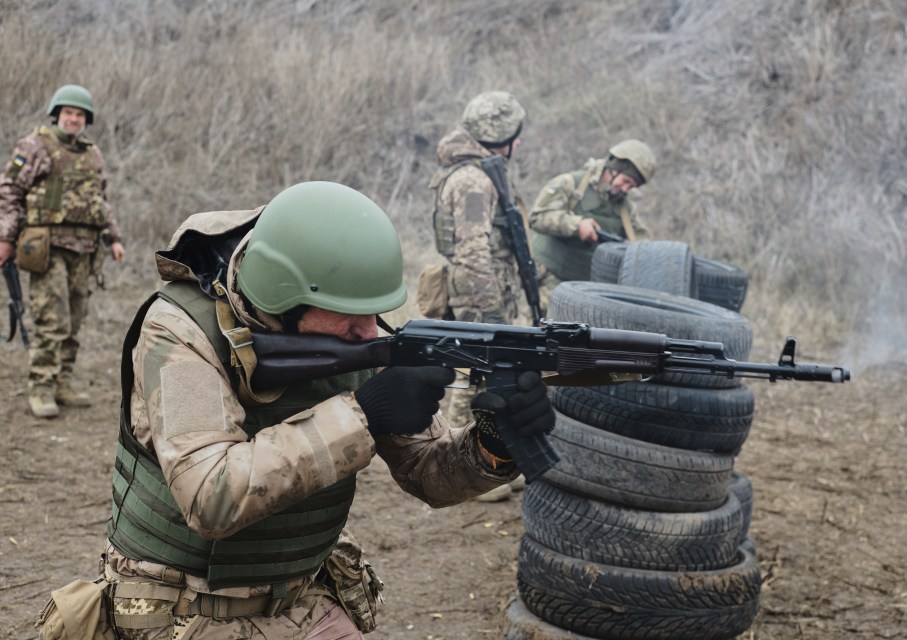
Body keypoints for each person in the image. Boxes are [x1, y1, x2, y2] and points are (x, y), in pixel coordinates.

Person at [34, 181, 554, 639]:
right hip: (177, 611)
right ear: (286, 295)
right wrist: (365, 416)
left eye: (374, 312)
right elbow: (211, 497)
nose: (369, 332)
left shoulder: (354, 329)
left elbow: (428, 474)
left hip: (302, 600)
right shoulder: (179, 331)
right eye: (350, 317)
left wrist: (490, 443)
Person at [0, 84, 125, 419]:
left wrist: (114, 238)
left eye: (79, 114)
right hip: (48, 247)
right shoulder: (35, 146)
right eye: (68, 113)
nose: (73, 119)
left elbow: (102, 200)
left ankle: (63, 382)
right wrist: (6, 239)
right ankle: (41, 386)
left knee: (75, 318)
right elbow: (10, 192)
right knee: (51, 318)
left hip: (84, 250)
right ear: (57, 114)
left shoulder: (91, 153)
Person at [428, 90, 527, 431]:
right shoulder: (473, 181)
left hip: (483, 286)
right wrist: (493, 314)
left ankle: (477, 454)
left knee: (481, 376)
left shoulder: (477, 172)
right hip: (479, 290)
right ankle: (458, 449)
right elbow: (472, 251)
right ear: (505, 137)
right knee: (474, 376)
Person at [529, 139, 656, 306]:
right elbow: (537, 217)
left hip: (582, 291)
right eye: (625, 181)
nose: (625, 189)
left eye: (631, 186)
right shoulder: (570, 184)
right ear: (613, 169)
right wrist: (576, 225)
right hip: (544, 279)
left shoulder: (626, 210)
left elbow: (644, 244)